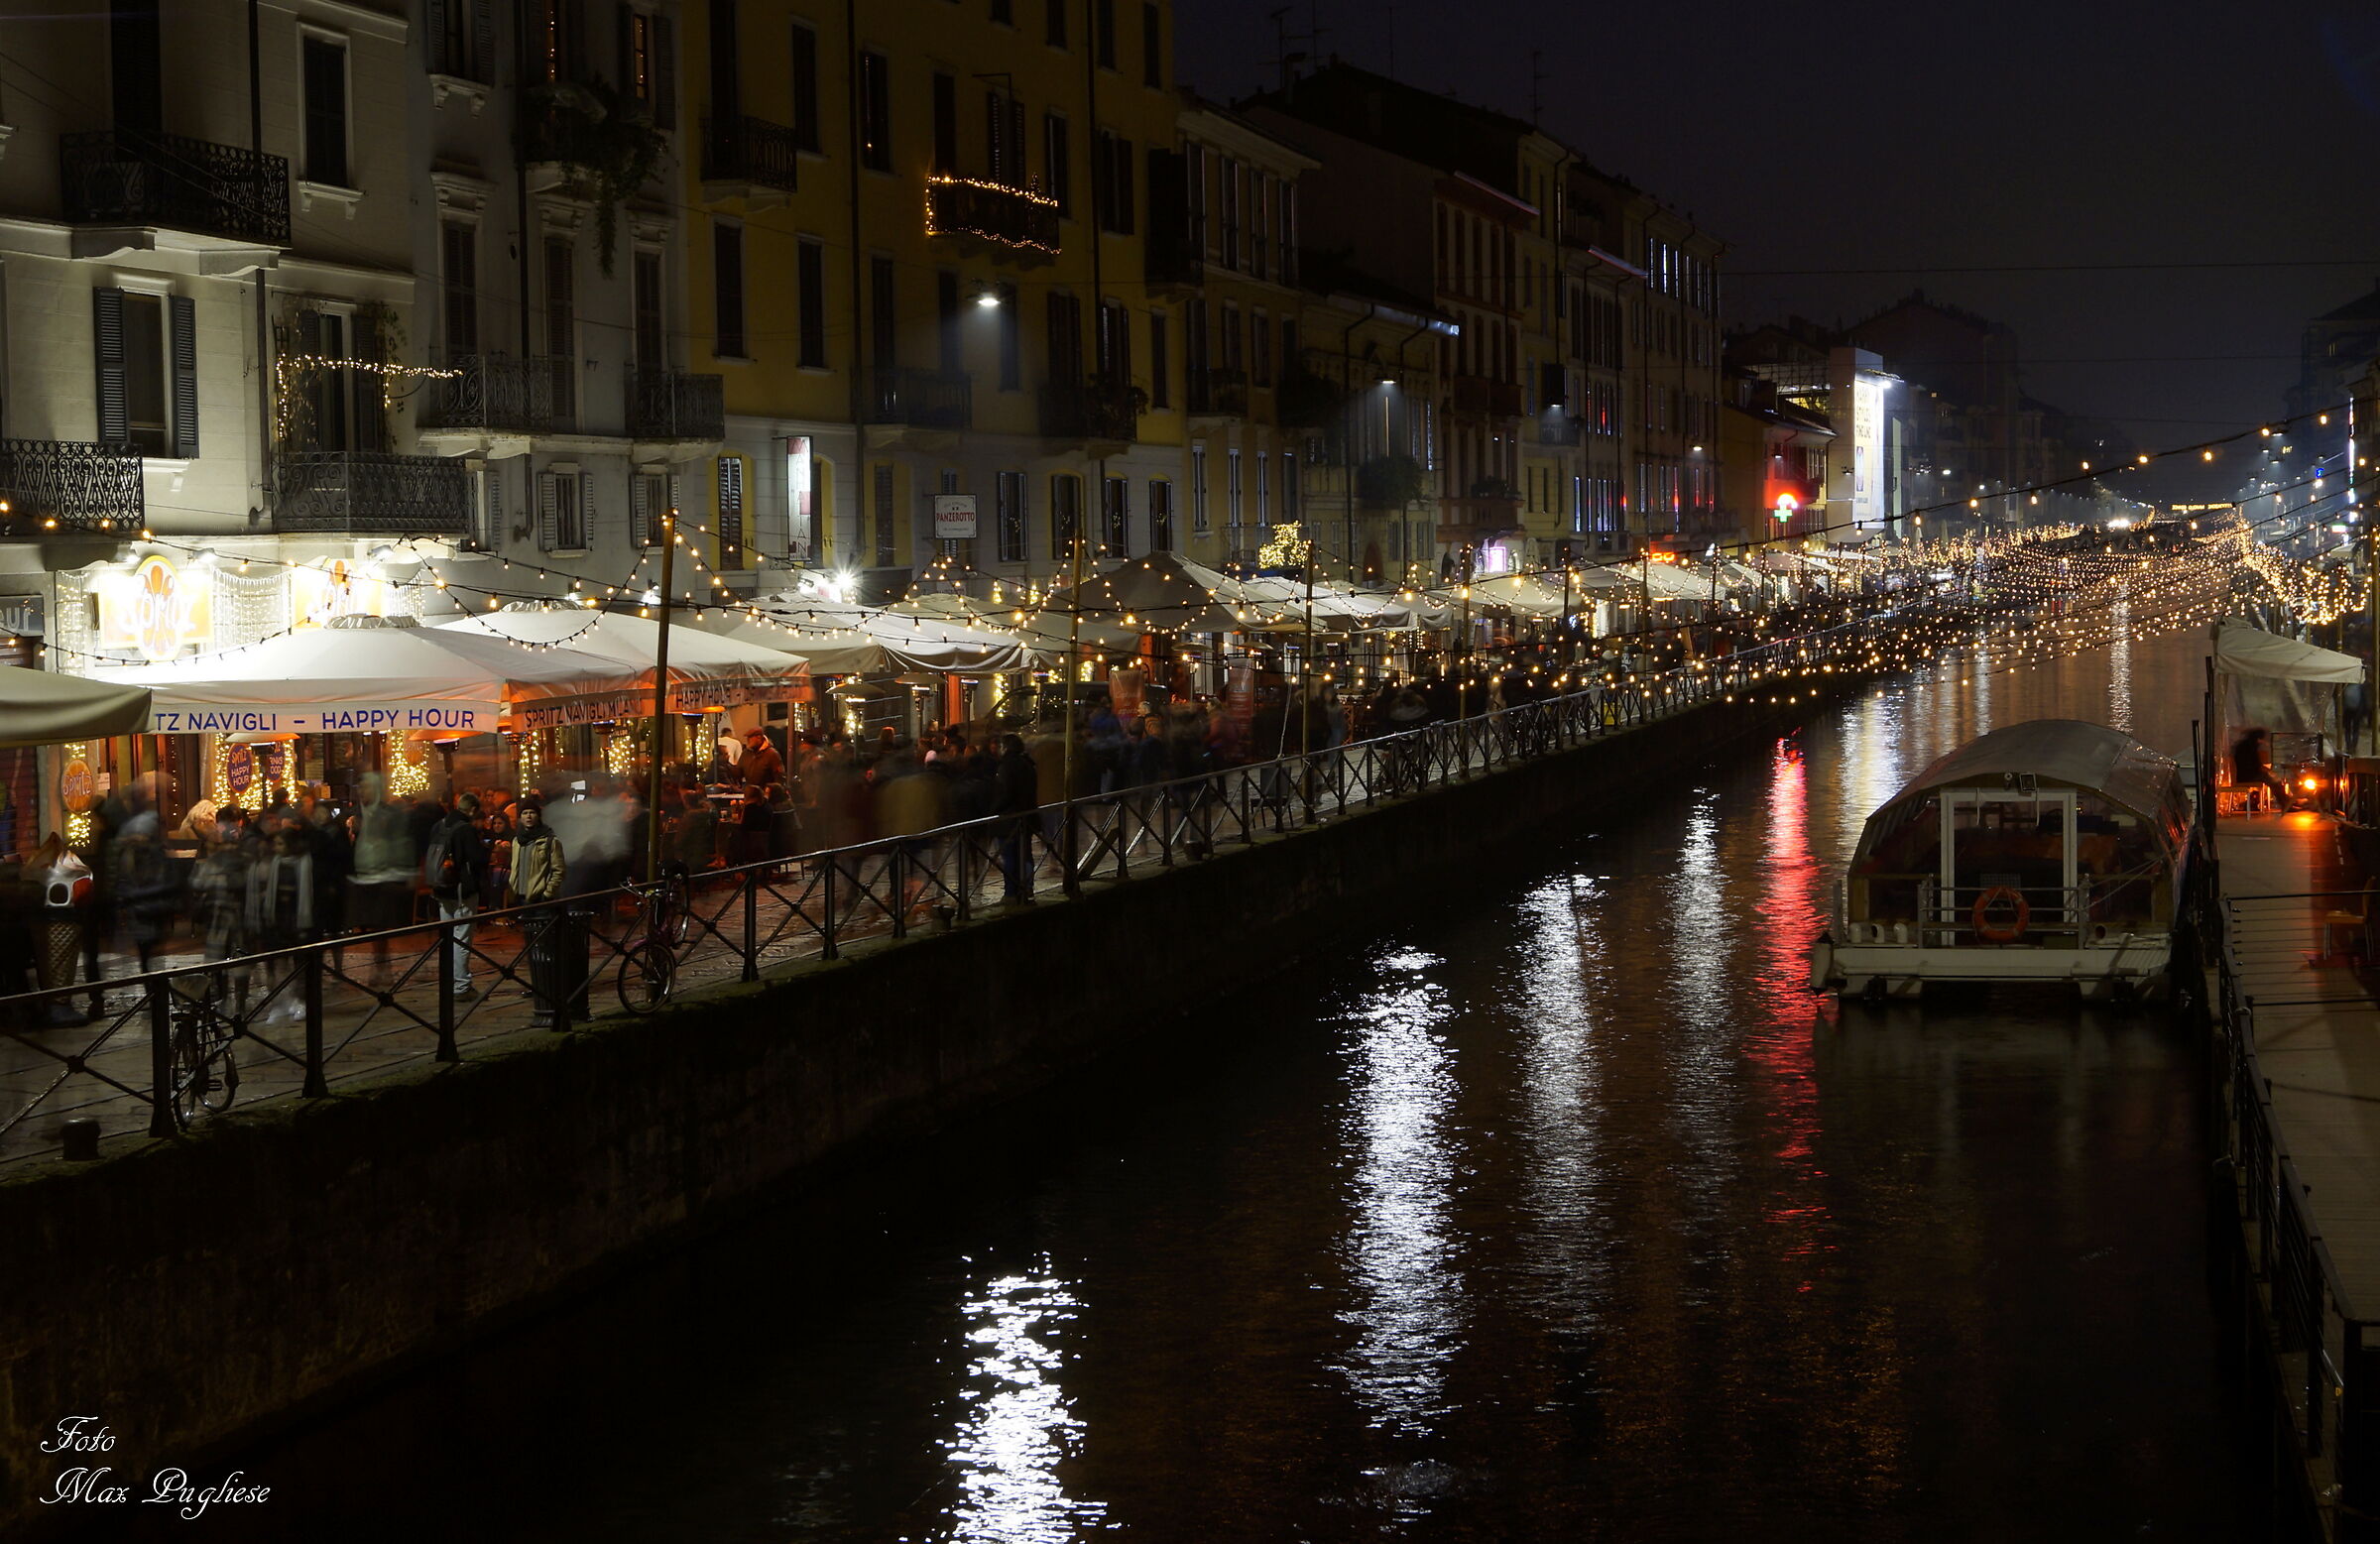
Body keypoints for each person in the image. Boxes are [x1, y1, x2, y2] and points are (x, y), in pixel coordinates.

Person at [510, 799, 570, 1026]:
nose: (528, 816)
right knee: (531, 945)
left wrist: (547, 893)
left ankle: (550, 987)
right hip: (524, 898)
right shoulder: (517, 840)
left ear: (538, 816)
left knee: (545, 945)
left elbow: (559, 869)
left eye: (532, 813)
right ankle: (537, 984)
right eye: (524, 813)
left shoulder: (550, 840)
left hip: (541, 900)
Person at [425, 792, 489, 999]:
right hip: (462, 890)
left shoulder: (439, 825)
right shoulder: (465, 829)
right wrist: (487, 849)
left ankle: (449, 982)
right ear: (473, 810)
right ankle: (462, 986)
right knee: (462, 938)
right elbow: (477, 859)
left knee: (447, 937)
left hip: (441, 889)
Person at [992, 734, 1038, 903]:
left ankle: (1011, 892)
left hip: (1009, 819)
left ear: (1005, 747)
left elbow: (1006, 793)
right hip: (1026, 816)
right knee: (1025, 854)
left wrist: (994, 809)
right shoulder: (1029, 764)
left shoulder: (1006, 766)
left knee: (1010, 856)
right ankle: (1027, 887)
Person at [2231, 727, 2292, 808]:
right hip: (2249, 776)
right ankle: (2286, 804)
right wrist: (2269, 771)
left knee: (2273, 780)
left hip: (2243, 775)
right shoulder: (2250, 747)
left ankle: (2286, 803)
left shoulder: (2242, 746)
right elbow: (2256, 765)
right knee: (2274, 782)